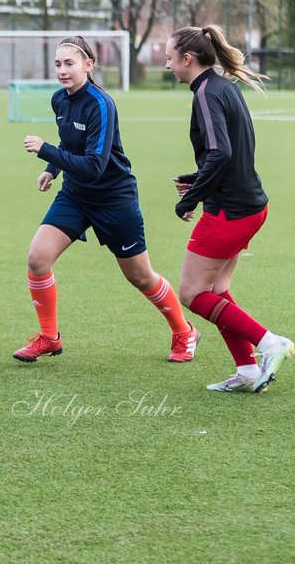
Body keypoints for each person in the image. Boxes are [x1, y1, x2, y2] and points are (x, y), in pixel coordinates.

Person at [15, 37, 198, 364]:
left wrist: (46, 150)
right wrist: (52, 168)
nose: (62, 71)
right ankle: (48, 337)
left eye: (69, 63)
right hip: (75, 195)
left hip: (114, 198)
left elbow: (95, 165)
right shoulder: (60, 100)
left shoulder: (101, 104)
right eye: (57, 64)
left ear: (88, 65)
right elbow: (69, 141)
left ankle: (184, 331)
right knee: (37, 258)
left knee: (140, 276)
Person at [165, 24, 295, 393]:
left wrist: (191, 198)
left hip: (229, 212)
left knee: (192, 294)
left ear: (187, 59)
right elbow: (225, 153)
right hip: (250, 205)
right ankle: (248, 370)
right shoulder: (223, 86)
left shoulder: (206, 93)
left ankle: (270, 343)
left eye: (170, 57)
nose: (167, 64)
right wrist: (197, 178)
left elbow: (221, 152)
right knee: (218, 290)